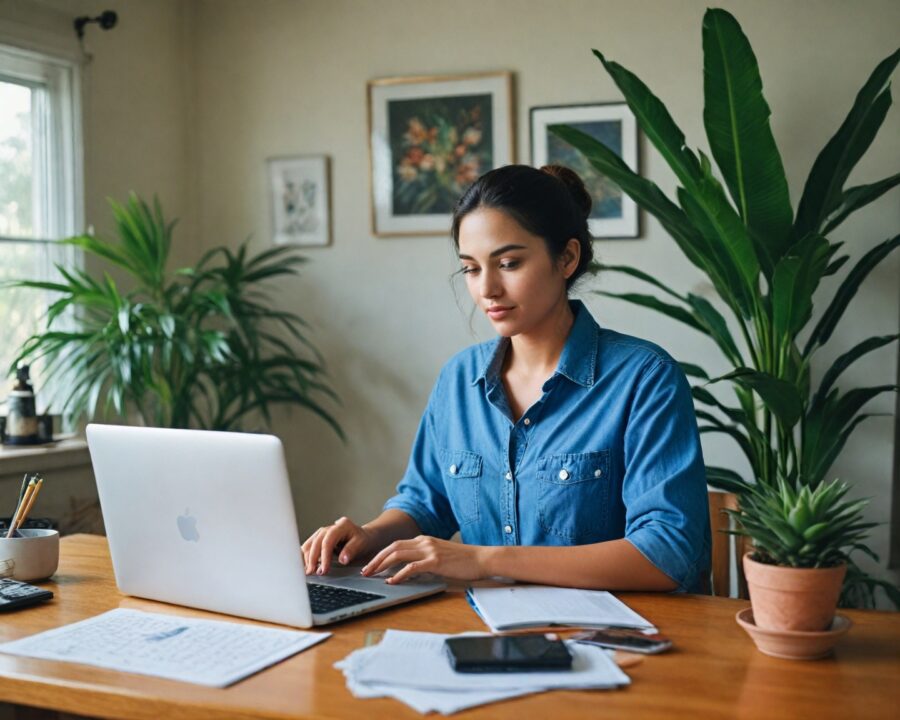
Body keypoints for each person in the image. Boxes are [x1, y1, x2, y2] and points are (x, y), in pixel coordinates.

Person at [302, 164, 710, 593]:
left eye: (509, 263)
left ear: (567, 258)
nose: (487, 290)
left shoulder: (645, 379)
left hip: (618, 637)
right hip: (489, 630)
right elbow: (424, 502)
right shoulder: (459, 380)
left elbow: (666, 553)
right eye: (471, 269)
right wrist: (370, 535)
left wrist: (482, 559)